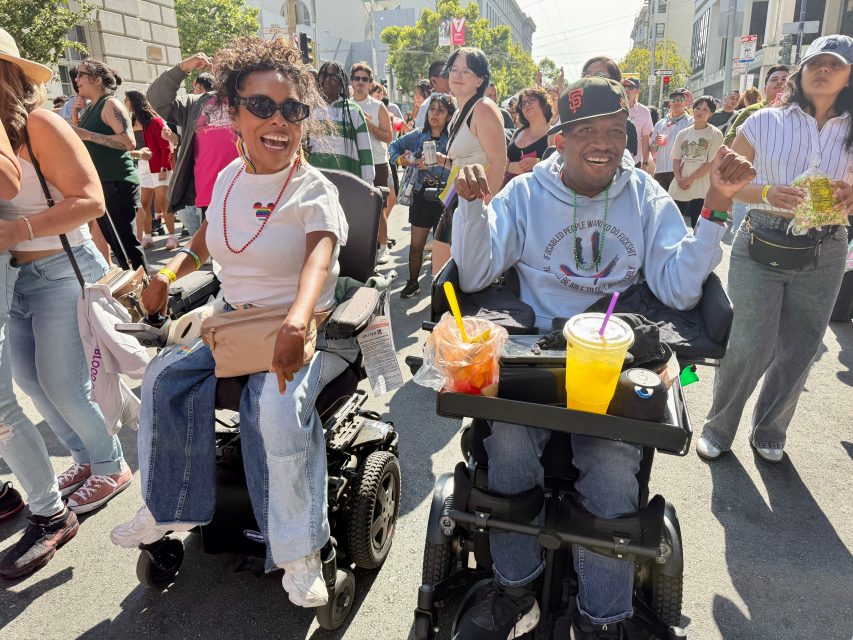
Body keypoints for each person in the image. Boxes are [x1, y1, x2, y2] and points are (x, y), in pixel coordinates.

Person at [449, 76, 754, 640]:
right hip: (537, 352)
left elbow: (681, 289)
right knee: (510, 444)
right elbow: (473, 273)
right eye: (586, 130)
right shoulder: (523, 194)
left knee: (615, 468)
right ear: (559, 140)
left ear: (628, 138)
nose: (602, 142)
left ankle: (602, 617)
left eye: (614, 131)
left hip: (614, 355)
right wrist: (471, 211)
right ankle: (516, 588)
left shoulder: (644, 197)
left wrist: (715, 205)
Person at [111, 35, 352, 609]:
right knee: (163, 379)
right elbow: (203, 242)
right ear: (233, 112)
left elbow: (320, 257)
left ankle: (300, 552)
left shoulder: (313, 188)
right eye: (262, 107)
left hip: (294, 323)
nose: (279, 121)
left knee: (273, 410)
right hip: (232, 324)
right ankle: (166, 508)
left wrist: (297, 321)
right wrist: (170, 273)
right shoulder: (226, 180)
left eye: (292, 109)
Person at [0, 32, 132, 564]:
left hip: (62, 269)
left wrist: (18, 231)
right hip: (17, 278)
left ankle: (111, 463)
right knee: (33, 383)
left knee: (62, 383)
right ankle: (84, 455)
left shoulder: (40, 124)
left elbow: (91, 201)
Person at [697, 36, 853, 464]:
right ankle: (718, 425)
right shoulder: (765, 122)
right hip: (762, 238)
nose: (823, 70)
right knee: (750, 343)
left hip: (827, 246)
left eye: (834, 64)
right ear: (801, 72)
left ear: (849, 74)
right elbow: (723, 181)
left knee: (801, 346)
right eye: (815, 63)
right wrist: (766, 190)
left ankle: (770, 428)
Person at [431, 48, 507, 276]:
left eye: (466, 71)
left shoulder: (483, 108)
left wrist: (483, 210)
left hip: (473, 202)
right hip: (457, 199)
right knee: (443, 276)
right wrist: (442, 161)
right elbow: (465, 159)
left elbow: (498, 160)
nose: (457, 76)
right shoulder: (459, 112)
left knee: (455, 278)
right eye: (454, 70)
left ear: (480, 79)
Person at [71, 59, 148, 271]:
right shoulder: (90, 108)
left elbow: (128, 141)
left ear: (97, 79)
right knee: (116, 243)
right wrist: (75, 118)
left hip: (116, 182)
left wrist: (87, 134)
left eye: (81, 74)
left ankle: (146, 293)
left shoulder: (110, 104)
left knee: (125, 244)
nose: (76, 80)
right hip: (103, 183)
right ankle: (137, 292)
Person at [147, 52, 239, 221]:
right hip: (210, 196)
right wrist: (182, 68)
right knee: (214, 246)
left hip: (248, 191)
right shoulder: (195, 102)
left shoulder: (248, 100)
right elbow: (156, 100)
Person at [389, 93, 454, 298]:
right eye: (432, 109)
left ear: (449, 115)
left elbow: (459, 166)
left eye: (441, 110)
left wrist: (437, 162)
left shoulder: (453, 140)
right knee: (416, 244)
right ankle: (412, 282)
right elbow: (392, 148)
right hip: (420, 195)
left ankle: (441, 288)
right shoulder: (417, 135)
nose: (435, 114)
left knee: (443, 246)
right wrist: (403, 160)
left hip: (444, 196)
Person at [723, 65, 790, 237]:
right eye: (774, 80)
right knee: (743, 237)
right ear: (765, 87)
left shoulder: (802, 116)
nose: (780, 83)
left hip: (786, 195)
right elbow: (729, 141)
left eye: (785, 79)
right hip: (749, 189)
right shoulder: (752, 112)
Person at [350, 62, 394, 264]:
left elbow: (388, 137)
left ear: (370, 83)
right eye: (357, 78)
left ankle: (383, 246)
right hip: (354, 162)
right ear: (351, 81)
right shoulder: (346, 106)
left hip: (376, 162)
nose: (360, 82)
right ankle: (361, 248)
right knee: (356, 207)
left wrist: (369, 124)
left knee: (378, 206)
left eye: (364, 79)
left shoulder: (378, 106)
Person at [125, 90, 177, 250]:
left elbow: (166, 147)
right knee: (144, 203)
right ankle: (147, 236)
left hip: (159, 165)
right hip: (143, 166)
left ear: (133, 101)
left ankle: (172, 237)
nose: (124, 102)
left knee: (163, 202)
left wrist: (163, 167)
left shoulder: (155, 121)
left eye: (126, 99)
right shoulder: (132, 120)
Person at [308, 61, 375, 184]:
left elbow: (365, 151)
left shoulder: (353, 111)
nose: (328, 79)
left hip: (347, 183)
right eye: (323, 74)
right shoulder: (309, 108)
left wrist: (368, 185)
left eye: (333, 76)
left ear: (341, 82)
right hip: (314, 182)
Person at [669, 95, 724, 227]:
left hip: (701, 187)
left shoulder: (715, 134)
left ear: (711, 113)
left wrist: (689, 179)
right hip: (680, 184)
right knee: (673, 223)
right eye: (697, 108)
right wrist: (679, 179)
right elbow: (676, 159)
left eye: (705, 109)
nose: (700, 112)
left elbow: (710, 163)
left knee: (697, 225)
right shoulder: (683, 133)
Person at [581, 57, 638, 159]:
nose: (591, 79)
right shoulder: (573, 119)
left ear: (615, 82)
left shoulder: (626, 126)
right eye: (587, 75)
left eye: (599, 75)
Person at [650, 88, 694, 190]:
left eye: (680, 100)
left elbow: (703, 121)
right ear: (670, 103)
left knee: (679, 204)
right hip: (661, 170)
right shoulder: (660, 124)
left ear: (686, 103)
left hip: (681, 171)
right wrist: (656, 143)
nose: (677, 103)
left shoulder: (690, 122)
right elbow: (652, 150)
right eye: (674, 100)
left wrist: (692, 101)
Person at [504, 86, 551, 183]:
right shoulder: (517, 132)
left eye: (531, 100)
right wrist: (509, 167)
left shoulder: (553, 134)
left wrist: (538, 162)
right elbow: (504, 163)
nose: (527, 105)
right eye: (523, 103)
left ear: (544, 104)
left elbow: (561, 165)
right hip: (509, 190)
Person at [622, 78, 653, 171]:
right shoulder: (613, 108)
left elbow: (645, 139)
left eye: (630, 87)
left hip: (634, 162)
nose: (626, 90)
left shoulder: (644, 111)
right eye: (624, 87)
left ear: (638, 90)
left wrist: (645, 163)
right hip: (614, 160)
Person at [415, 60, 452, 130]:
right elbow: (420, 135)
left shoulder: (456, 101)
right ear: (434, 80)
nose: (451, 78)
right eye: (446, 75)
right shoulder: (426, 106)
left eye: (452, 73)